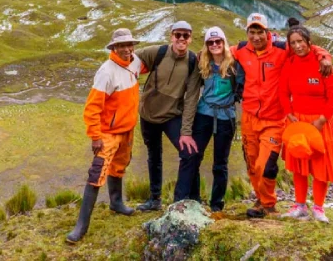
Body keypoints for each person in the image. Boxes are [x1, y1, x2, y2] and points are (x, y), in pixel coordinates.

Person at [232, 13, 333, 218]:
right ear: (247, 32)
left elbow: (306, 46)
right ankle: (262, 201)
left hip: (274, 119)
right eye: (252, 32)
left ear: (267, 32)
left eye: (260, 32)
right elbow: (218, 50)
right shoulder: (242, 49)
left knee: (264, 165)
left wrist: (325, 57)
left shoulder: (281, 48)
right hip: (249, 117)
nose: (256, 37)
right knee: (252, 164)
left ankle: (269, 204)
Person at [67, 28, 144, 243]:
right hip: (108, 134)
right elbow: (92, 108)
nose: (127, 49)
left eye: (129, 44)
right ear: (114, 48)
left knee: (119, 167)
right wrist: (95, 136)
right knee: (97, 173)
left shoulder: (135, 62)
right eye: (122, 45)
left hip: (127, 130)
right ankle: (81, 226)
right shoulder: (106, 72)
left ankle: (116, 203)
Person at [278, 26, 333, 222]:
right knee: (299, 164)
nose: (297, 46)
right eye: (293, 43)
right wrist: (288, 113)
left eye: (300, 41)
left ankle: (318, 208)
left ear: (309, 42)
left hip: (322, 122)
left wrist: (321, 120)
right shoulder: (289, 63)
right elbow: (283, 92)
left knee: (320, 167)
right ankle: (299, 206)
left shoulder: (323, 66)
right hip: (298, 122)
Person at [135, 21, 203, 211]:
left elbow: (191, 99)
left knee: (190, 153)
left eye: (185, 35)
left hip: (172, 115)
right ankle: (154, 199)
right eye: (178, 34)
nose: (181, 38)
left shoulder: (193, 62)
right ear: (171, 36)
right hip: (148, 114)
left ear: (190, 38)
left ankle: (191, 199)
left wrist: (186, 132)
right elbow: (130, 58)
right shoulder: (157, 52)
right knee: (154, 156)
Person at [186, 26, 244, 212]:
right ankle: (194, 198)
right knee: (194, 157)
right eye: (210, 42)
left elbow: (243, 85)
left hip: (226, 117)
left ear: (223, 42)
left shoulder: (235, 64)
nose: (214, 45)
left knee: (220, 163)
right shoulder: (202, 62)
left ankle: (217, 204)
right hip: (204, 114)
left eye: (218, 41)